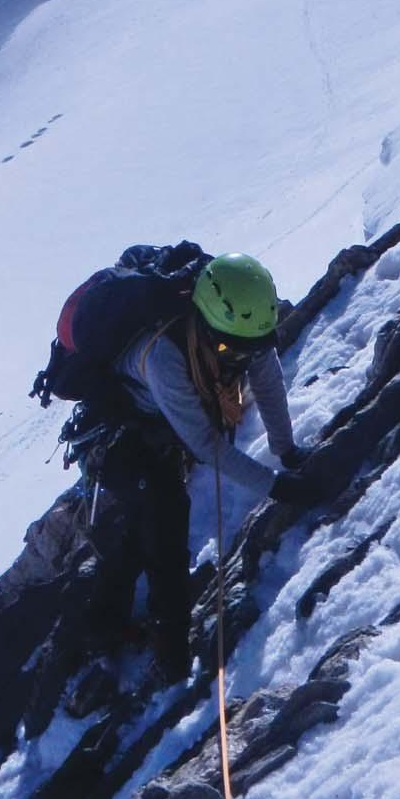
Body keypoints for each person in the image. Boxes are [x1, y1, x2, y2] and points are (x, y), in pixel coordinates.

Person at [89, 251, 308, 682]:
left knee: (146, 520)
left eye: (251, 347)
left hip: (166, 419)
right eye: (230, 349)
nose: (242, 358)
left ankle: (109, 622)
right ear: (206, 323)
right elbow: (206, 445)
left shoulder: (245, 332)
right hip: (121, 428)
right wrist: (276, 486)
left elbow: (267, 380)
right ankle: (167, 649)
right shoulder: (162, 355)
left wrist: (288, 451)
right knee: (163, 510)